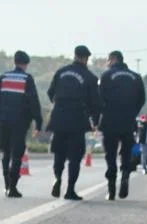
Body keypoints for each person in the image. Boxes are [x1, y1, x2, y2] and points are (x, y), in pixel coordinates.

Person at [47, 44, 101, 200]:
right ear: (85, 58)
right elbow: (95, 103)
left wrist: (58, 106)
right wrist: (94, 119)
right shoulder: (90, 77)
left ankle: (57, 177)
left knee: (59, 152)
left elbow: (51, 93)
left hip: (59, 117)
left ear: (75, 55)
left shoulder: (61, 72)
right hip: (77, 119)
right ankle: (70, 189)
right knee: (75, 157)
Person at [0, 50, 44, 198]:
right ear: (26, 64)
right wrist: (38, 122)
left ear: (15, 62)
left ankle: (6, 184)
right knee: (17, 155)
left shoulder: (3, 78)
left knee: (6, 153)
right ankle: (13, 186)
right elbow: (34, 102)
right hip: (20, 122)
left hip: (3, 121)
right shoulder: (27, 79)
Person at [97, 51, 146, 200]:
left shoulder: (105, 76)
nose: (107, 63)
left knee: (110, 155)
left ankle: (111, 189)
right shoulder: (136, 78)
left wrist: (101, 114)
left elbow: (99, 98)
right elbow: (141, 99)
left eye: (108, 60)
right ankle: (125, 174)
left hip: (110, 121)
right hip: (128, 122)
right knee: (126, 153)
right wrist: (132, 112)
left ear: (113, 59)